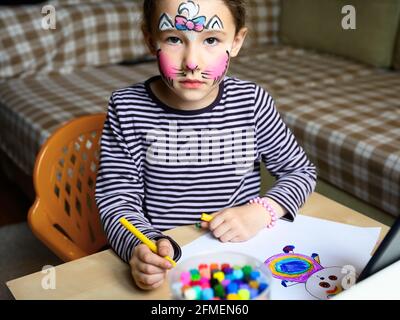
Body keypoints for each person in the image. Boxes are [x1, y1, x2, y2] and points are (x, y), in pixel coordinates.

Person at [95, 0, 317, 290]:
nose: (191, 62)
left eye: (211, 40)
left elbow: (300, 172)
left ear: (236, 42)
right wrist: (140, 247)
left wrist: (262, 211)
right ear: (151, 42)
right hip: (171, 268)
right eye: (174, 39)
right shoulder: (127, 108)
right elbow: (116, 200)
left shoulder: (252, 102)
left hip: (241, 264)